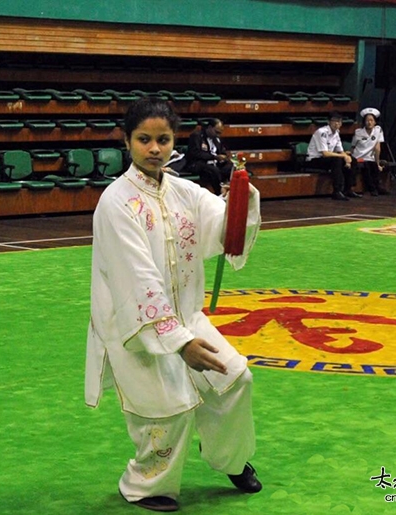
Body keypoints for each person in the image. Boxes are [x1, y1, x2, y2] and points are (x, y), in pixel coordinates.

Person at [85, 97, 262, 513]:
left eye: (163, 139)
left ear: (173, 141)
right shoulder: (115, 203)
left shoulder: (185, 191)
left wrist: (241, 200)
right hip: (135, 328)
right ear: (127, 141)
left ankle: (230, 458)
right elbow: (137, 279)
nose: (154, 149)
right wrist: (181, 344)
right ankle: (146, 486)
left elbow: (221, 228)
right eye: (144, 139)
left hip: (186, 317)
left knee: (236, 379)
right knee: (169, 408)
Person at [306, 111, 359, 201]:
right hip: (315, 159)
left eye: (339, 121)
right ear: (329, 122)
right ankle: (337, 191)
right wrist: (343, 156)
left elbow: (340, 151)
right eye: (334, 121)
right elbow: (325, 153)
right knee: (337, 160)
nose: (337, 123)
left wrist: (347, 158)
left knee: (353, 159)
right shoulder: (322, 132)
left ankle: (348, 188)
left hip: (328, 159)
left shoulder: (336, 133)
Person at [185, 119, 233, 195]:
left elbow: (222, 151)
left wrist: (224, 157)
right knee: (214, 170)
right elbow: (195, 153)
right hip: (198, 163)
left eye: (220, 133)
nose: (218, 135)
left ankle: (231, 192)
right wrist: (214, 157)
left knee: (231, 168)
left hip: (215, 163)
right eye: (216, 132)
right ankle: (219, 193)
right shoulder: (196, 136)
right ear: (210, 127)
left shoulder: (217, 139)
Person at [351, 107, 389, 196]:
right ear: (364, 122)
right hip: (359, 157)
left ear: (375, 122)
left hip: (370, 157)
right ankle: (371, 188)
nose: (369, 122)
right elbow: (353, 146)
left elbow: (377, 148)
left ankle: (378, 186)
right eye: (367, 120)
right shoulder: (358, 132)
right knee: (366, 165)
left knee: (374, 165)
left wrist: (378, 163)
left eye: (372, 120)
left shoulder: (378, 130)